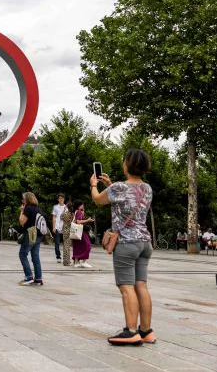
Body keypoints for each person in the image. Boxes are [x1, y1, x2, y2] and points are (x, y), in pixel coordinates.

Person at [91, 148, 155, 346]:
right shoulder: (147, 188)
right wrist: (110, 185)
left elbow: (98, 200)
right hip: (144, 242)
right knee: (141, 285)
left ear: (128, 164)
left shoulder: (118, 188)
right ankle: (146, 331)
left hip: (126, 244)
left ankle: (130, 331)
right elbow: (129, 201)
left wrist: (94, 185)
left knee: (126, 287)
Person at [17, 192, 44, 286]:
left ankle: (29, 277)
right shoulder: (38, 208)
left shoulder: (28, 208)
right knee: (35, 256)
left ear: (27, 199)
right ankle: (38, 279)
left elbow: (22, 221)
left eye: (23, 199)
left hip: (31, 233)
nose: (22, 200)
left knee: (22, 254)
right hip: (39, 234)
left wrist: (22, 210)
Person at [71, 202, 94, 268]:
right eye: (81, 204)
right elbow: (78, 222)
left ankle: (76, 262)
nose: (83, 206)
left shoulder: (75, 212)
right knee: (88, 245)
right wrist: (87, 220)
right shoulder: (78, 212)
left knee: (77, 246)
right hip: (81, 232)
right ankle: (84, 262)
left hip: (76, 232)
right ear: (78, 205)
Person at [51, 194, 67, 264]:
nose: (61, 199)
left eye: (62, 198)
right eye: (59, 198)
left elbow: (68, 217)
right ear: (58, 199)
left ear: (64, 199)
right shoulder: (55, 207)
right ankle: (58, 257)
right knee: (57, 243)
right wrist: (54, 227)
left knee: (65, 244)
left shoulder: (66, 207)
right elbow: (54, 217)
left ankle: (66, 257)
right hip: (57, 227)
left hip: (64, 227)